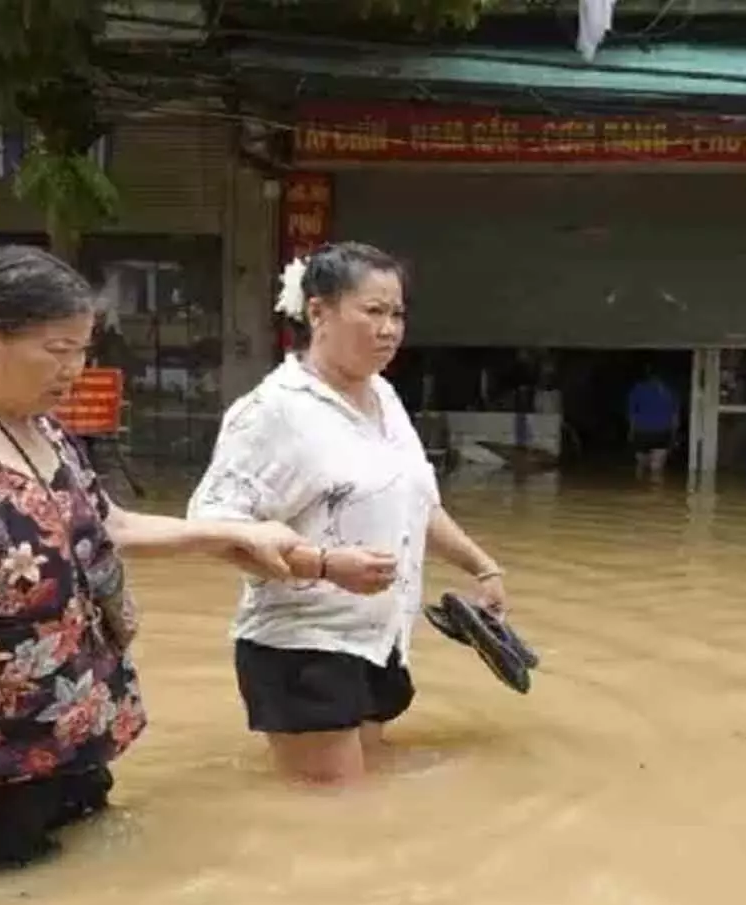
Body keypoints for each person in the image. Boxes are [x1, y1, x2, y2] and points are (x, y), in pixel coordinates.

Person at [0, 245, 363, 874]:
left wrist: (232, 535)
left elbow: (107, 525)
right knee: (10, 903)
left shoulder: (45, 432)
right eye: (56, 351)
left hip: (75, 724)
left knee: (92, 877)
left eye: (82, 350)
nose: (74, 370)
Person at [186, 241, 510, 786]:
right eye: (374, 311)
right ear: (319, 312)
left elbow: (418, 505)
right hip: (303, 648)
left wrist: (483, 567)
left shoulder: (385, 398)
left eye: (398, 313)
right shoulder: (273, 413)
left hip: (378, 642)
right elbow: (210, 528)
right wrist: (324, 565)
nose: (390, 329)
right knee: (334, 822)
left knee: (362, 810)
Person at [626, 368, 679, 479]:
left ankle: (638, 489)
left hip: (641, 432)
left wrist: (631, 432)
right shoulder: (669, 391)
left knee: (641, 465)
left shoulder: (637, 389)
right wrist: (673, 437)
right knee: (657, 468)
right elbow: (675, 418)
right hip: (662, 433)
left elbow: (632, 414)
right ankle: (656, 493)